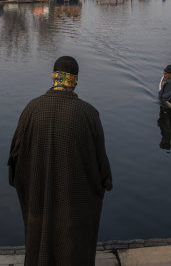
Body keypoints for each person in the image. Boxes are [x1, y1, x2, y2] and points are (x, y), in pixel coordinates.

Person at [8, 56, 113, 266]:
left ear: (54, 77)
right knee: (73, 245)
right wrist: (105, 183)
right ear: (75, 80)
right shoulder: (89, 113)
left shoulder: (31, 109)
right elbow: (101, 163)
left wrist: (22, 181)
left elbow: (14, 157)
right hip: (75, 202)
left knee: (39, 240)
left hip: (38, 198)